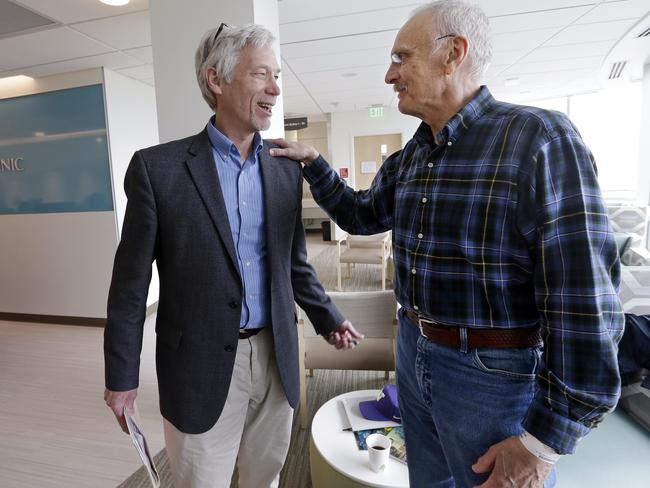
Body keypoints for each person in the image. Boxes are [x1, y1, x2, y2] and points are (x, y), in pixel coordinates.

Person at [269, 1, 624, 487]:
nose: (390, 75)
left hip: (491, 377)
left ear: (453, 53)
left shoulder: (537, 140)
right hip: (414, 353)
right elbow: (360, 213)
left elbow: (584, 304)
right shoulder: (413, 155)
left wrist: (544, 445)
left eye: (402, 58)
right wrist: (314, 163)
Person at [103, 23, 363, 488]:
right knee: (200, 480)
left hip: (275, 354)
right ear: (216, 80)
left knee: (265, 475)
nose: (275, 88)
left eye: (277, 75)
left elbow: (293, 264)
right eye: (261, 74)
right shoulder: (157, 169)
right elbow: (130, 286)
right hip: (198, 363)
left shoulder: (285, 168)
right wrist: (122, 376)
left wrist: (329, 318)